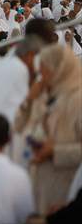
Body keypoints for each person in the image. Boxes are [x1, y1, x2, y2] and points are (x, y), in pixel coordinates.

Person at [14, 44, 82, 215]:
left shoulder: (78, 100)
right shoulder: (43, 95)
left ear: (59, 70)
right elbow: (18, 125)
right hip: (36, 186)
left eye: (45, 69)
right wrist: (29, 100)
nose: (41, 75)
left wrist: (55, 151)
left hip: (63, 193)